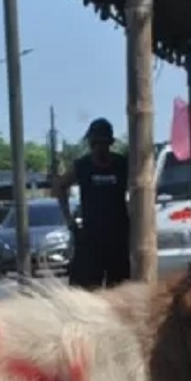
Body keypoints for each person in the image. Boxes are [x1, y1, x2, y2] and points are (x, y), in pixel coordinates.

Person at [54, 118, 131, 290]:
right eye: (96, 143)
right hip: (91, 235)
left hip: (118, 235)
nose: (99, 148)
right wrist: (70, 222)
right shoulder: (82, 166)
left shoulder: (122, 164)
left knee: (120, 289)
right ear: (91, 144)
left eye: (103, 143)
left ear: (110, 143)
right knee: (84, 290)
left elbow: (142, 187)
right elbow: (60, 186)